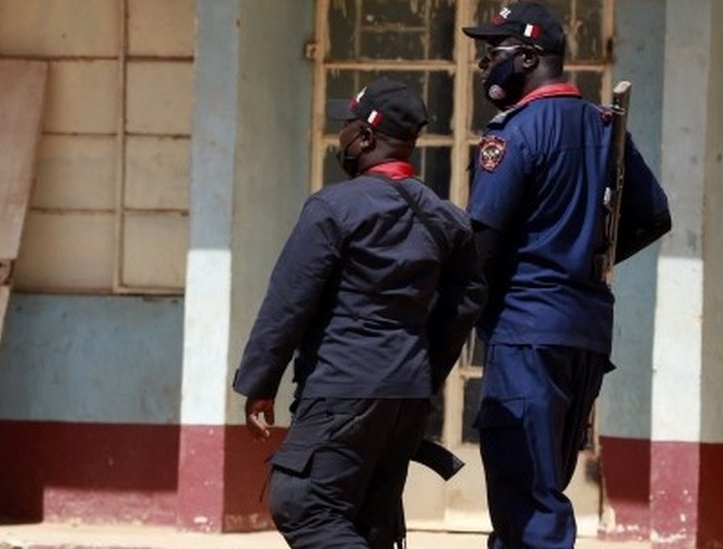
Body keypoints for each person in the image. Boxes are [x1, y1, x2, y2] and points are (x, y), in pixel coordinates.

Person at [231, 78, 487, 549]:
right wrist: (424, 373)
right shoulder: (447, 217)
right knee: (371, 522)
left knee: (303, 505)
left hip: (343, 387)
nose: (341, 137)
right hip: (406, 396)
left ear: (366, 137)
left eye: (347, 126)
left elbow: (289, 301)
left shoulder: (333, 208)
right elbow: (467, 301)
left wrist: (259, 384)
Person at [462, 3, 671, 548]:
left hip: (526, 330)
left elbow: (481, 241)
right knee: (540, 482)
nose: (486, 68)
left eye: (493, 55)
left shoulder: (514, 134)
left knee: (527, 494)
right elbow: (653, 216)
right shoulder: (604, 127)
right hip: (581, 332)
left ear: (530, 57)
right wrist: (583, 258)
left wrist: (448, 318)